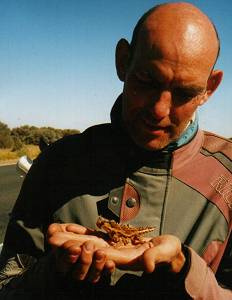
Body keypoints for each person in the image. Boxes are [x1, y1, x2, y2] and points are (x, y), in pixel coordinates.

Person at [0, 2, 231, 299]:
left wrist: (184, 269)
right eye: (147, 81)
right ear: (123, 62)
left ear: (209, 89)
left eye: (184, 93)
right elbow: (7, 286)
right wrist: (54, 271)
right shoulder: (57, 163)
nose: (159, 110)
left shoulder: (229, 178)